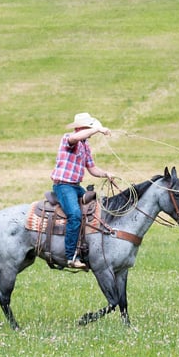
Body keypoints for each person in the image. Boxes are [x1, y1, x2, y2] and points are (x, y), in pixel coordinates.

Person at [50, 112, 115, 270]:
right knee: (75, 215)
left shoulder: (86, 145)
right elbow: (75, 138)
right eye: (89, 128)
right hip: (64, 185)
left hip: (75, 186)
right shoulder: (68, 138)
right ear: (81, 128)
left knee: (96, 208)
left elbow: (91, 168)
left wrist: (105, 173)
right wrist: (98, 129)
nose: (91, 133)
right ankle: (71, 256)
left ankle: (88, 248)